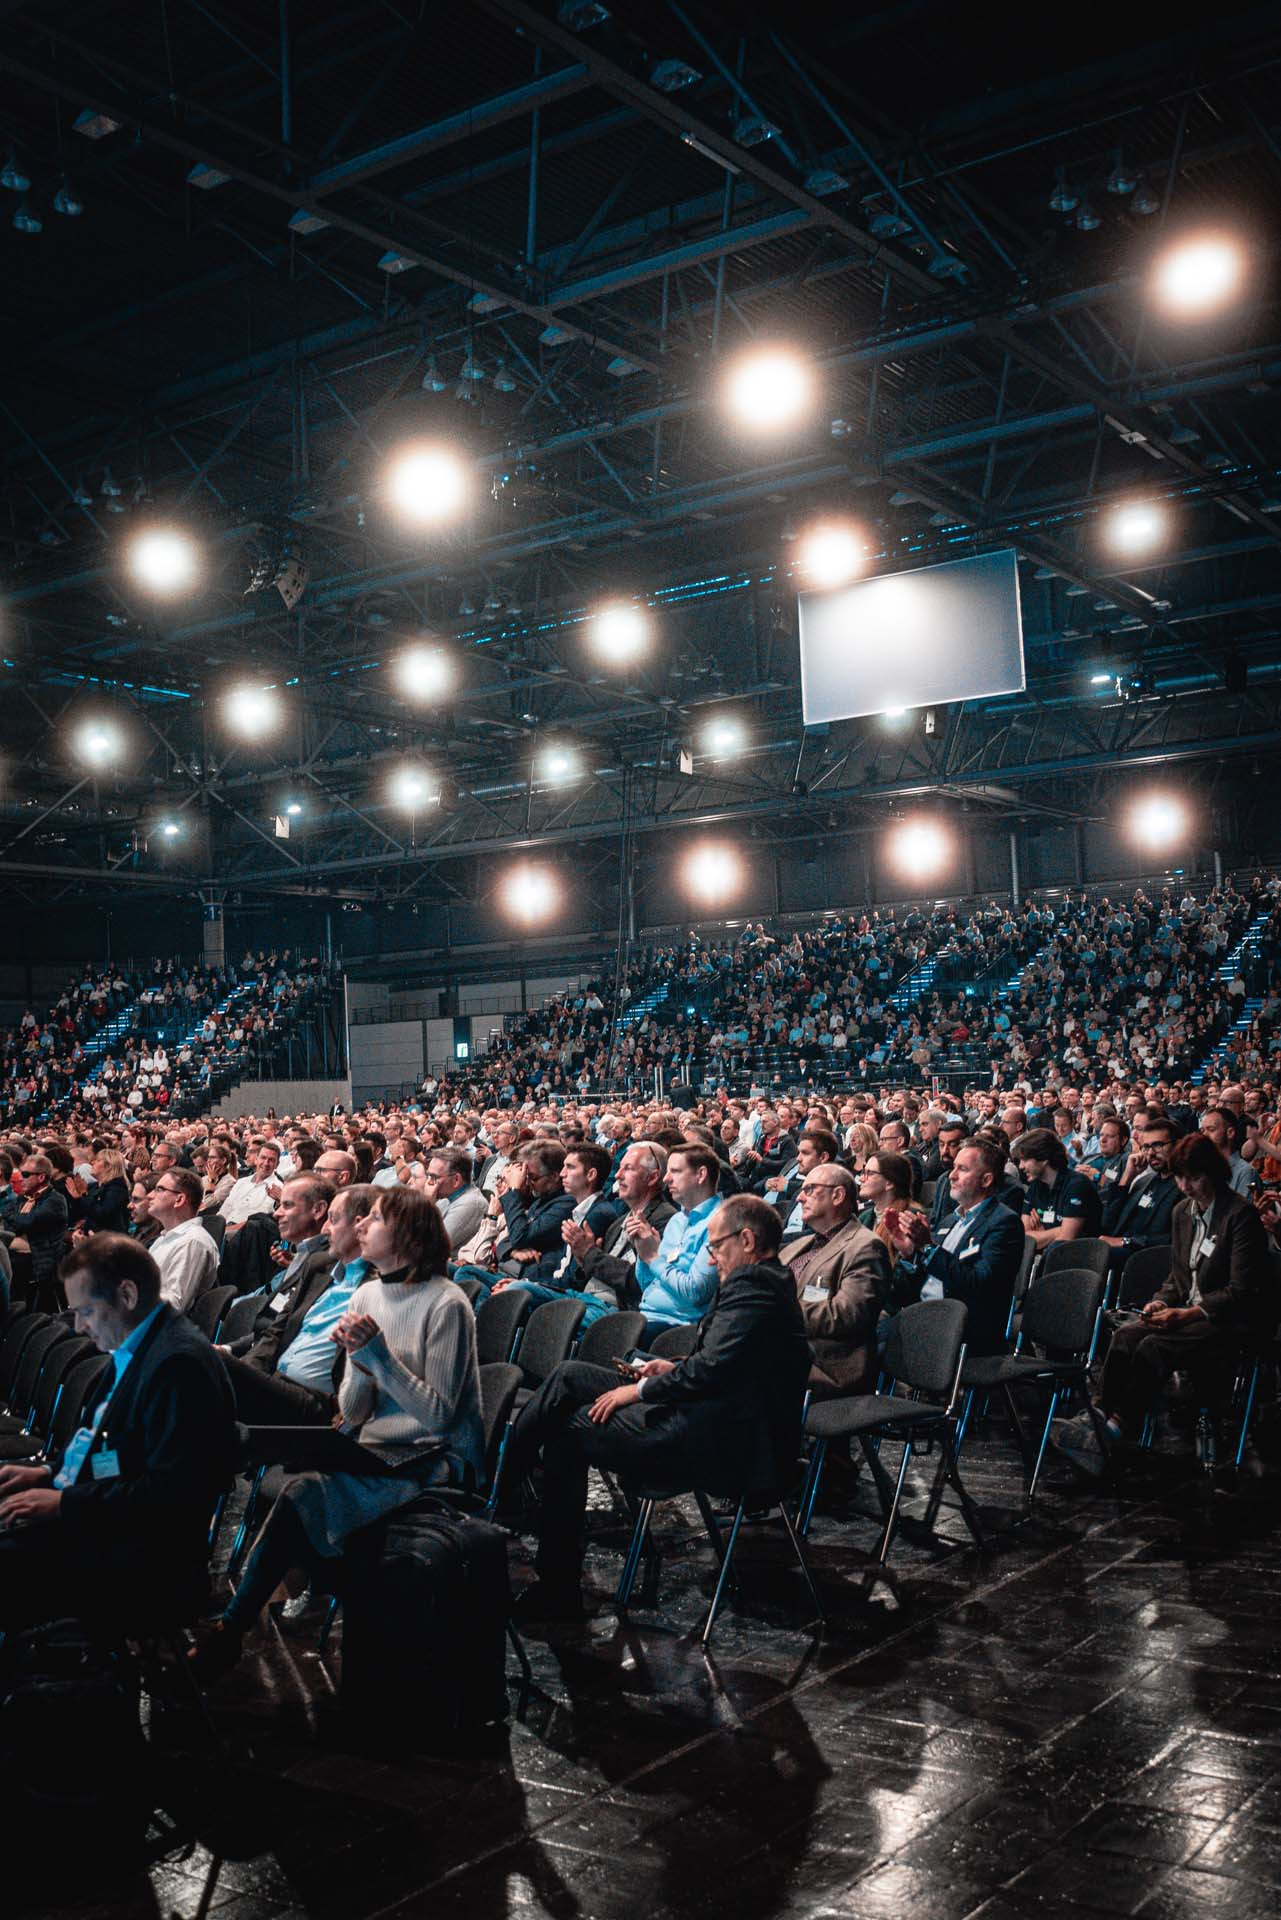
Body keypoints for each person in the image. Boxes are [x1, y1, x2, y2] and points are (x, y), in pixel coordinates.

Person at [193, 1186, 484, 1675]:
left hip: (431, 1459)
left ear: (407, 1236)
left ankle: (230, 1629)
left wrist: (377, 1359)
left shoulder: (447, 1304)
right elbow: (353, 1409)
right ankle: (233, 1625)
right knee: (278, 1458)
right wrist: (356, 1363)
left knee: (299, 1493)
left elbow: (438, 1417)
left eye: (375, 1219)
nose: (363, 1226)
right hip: (373, 1446)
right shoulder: (368, 1292)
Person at [506, 1193, 811, 1620]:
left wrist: (641, 1391)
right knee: (570, 1375)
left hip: (720, 1438)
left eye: (715, 1246)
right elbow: (728, 1362)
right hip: (707, 1410)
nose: (711, 1258)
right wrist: (674, 1364)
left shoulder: (754, 1285)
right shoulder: (764, 1280)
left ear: (745, 1240)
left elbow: (717, 1369)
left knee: (566, 1434)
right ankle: (503, 1484)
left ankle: (551, 1576)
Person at [0, 1233, 237, 1632]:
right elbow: (111, 1445)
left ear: (126, 1295)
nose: (78, 1325)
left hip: (146, 1559)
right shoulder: (138, 1343)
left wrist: (64, 1503)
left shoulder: (178, 1365)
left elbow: (171, 1493)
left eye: (86, 1311)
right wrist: (50, 1474)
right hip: (108, 1520)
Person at [1052, 1133, 1275, 1475]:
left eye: (1194, 1177)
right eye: (1180, 1177)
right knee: (1127, 1335)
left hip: (1229, 1318)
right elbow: (1177, 1276)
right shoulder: (1182, 1212)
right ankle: (1098, 1414)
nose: (1186, 1186)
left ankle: (1116, 1427)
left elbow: (1241, 1291)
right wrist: (1160, 1302)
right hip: (1188, 1310)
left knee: (1154, 1345)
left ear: (1213, 1173)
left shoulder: (1239, 1216)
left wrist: (1186, 1313)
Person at [218, 1184, 377, 1425]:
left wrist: (242, 1376)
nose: (325, 1229)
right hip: (273, 1379)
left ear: (361, 1226)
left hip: (316, 1402)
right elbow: (276, 1330)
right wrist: (248, 1374)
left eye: (332, 1219)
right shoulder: (319, 1265)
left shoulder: (379, 1287)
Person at [884, 1138, 1027, 1355]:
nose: (951, 1175)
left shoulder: (1003, 1223)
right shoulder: (950, 1221)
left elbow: (980, 1284)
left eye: (962, 1169)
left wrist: (929, 1248)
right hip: (924, 1314)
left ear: (986, 1179)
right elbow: (921, 1283)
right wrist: (910, 1253)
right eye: (953, 1168)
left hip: (963, 1328)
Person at [781, 1164, 890, 1395]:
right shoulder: (797, 1246)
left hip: (825, 1365)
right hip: (784, 1349)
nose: (799, 1197)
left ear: (838, 1195)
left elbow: (847, 1313)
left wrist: (780, 1312)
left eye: (810, 1189)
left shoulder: (865, 1246)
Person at [560, 1142, 677, 1323]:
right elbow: (594, 1272)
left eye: (628, 1169)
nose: (617, 1175)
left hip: (615, 1312)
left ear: (652, 1178)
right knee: (517, 1289)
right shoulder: (618, 1223)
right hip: (584, 1299)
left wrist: (590, 1255)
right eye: (619, 1168)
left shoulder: (665, 1221)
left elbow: (637, 1281)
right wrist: (582, 1261)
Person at [494, 1143, 619, 1309]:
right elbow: (510, 1240)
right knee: (469, 1272)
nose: (562, 1174)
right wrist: (514, 1251)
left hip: (559, 1288)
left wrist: (513, 1190)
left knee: (513, 1290)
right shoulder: (562, 1205)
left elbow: (571, 1280)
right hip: (536, 1278)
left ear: (591, 1174)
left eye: (570, 1167)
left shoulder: (592, 1213)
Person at [628, 1144, 721, 1329]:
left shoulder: (720, 1222)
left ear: (701, 1175)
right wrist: (643, 1252)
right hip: (645, 1316)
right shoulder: (676, 1221)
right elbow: (648, 1286)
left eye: (675, 1171)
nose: (666, 1178)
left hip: (676, 1329)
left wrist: (654, 1258)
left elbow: (695, 1292)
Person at [1013, 1128, 1103, 1252]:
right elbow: (1024, 1238)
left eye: (1025, 1160)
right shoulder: (1035, 1186)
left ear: (1044, 1159)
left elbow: (1065, 1240)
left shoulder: (1077, 1185)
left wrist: (1044, 1235)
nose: (1021, 1166)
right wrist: (1057, 1231)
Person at [147, 1166, 220, 1313]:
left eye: (159, 1189)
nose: (150, 1195)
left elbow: (175, 1305)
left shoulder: (192, 1242)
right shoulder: (164, 1238)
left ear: (179, 1199)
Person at [8, 1150, 70, 1308]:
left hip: (40, 1264)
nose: (21, 1178)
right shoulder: (22, 1198)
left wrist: (15, 1219)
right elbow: (10, 1222)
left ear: (41, 1177)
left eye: (26, 1174)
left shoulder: (56, 1200)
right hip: (18, 1259)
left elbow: (29, 1222)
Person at [423, 1147, 488, 1252]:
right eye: (428, 1176)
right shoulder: (446, 1196)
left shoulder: (471, 1203)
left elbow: (432, 1247)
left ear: (456, 1180)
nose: (429, 1182)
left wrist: (427, 1205)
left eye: (434, 1177)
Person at [65, 1147, 131, 1237]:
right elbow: (84, 1210)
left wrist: (81, 1196)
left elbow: (102, 1214)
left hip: (110, 1241)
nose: (92, 1162)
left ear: (109, 1166)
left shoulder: (117, 1188)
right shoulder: (94, 1186)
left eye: (98, 1160)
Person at [217, 1141, 282, 1230]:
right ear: (256, 1160)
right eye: (263, 1158)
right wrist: (217, 1228)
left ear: (277, 1165)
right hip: (224, 1229)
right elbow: (225, 1209)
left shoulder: (277, 1188)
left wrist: (227, 1230)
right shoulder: (241, 1182)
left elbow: (258, 1221)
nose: (266, 1163)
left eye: (271, 1160)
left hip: (246, 1235)